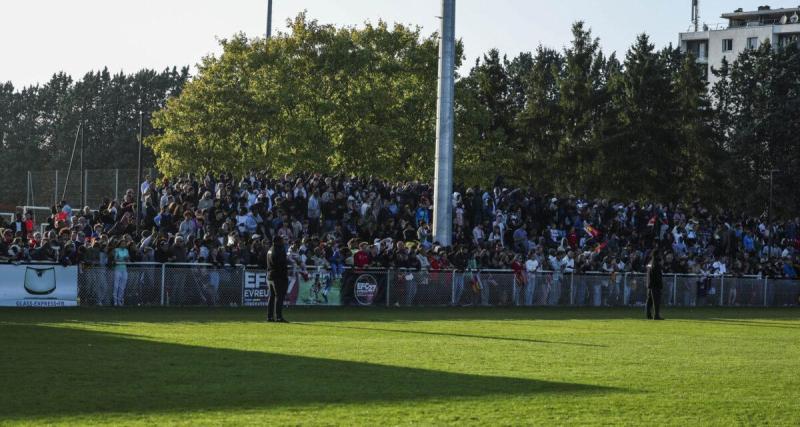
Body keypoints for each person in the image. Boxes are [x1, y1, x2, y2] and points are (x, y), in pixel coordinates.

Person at [267, 235, 289, 322]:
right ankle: (279, 317)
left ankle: (270, 316)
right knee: (279, 297)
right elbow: (281, 264)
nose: (283, 242)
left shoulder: (270, 249)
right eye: (282, 240)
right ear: (278, 241)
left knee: (272, 297)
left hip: (270, 276)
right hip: (278, 277)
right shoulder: (279, 250)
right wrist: (284, 275)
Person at [646, 251, 664, 320]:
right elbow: (658, 276)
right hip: (655, 285)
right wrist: (660, 285)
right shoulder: (656, 264)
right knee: (656, 301)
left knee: (649, 301)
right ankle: (656, 315)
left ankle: (648, 315)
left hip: (650, 285)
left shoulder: (650, 263)